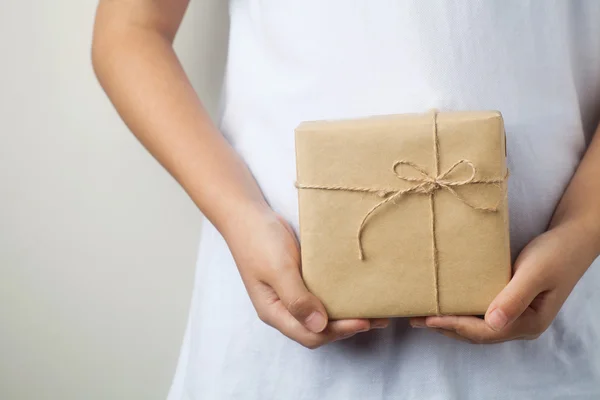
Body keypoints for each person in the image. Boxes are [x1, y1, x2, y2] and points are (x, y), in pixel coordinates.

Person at [92, 1, 600, 399]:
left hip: (547, 341)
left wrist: (583, 229)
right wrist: (240, 218)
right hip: (276, 348)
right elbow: (130, 29)